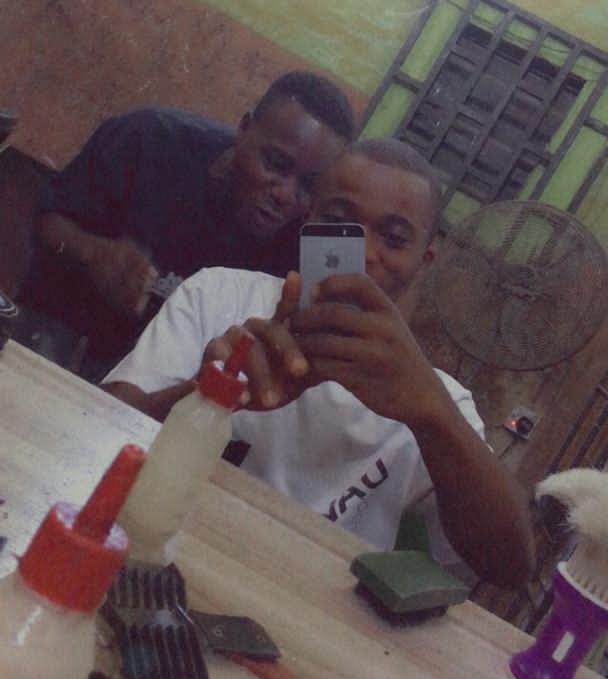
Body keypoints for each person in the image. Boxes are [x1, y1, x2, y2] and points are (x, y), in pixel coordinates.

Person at [103, 138, 535, 587]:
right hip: (154, 559)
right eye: (337, 222)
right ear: (307, 222)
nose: (363, 253)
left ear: (423, 261)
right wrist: (208, 391)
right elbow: (99, 422)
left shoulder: (432, 395)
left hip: (301, 601)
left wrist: (431, 413)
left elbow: (510, 567)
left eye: (393, 239)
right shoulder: (220, 296)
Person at [17, 72, 354, 380]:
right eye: (275, 164)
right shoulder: (149, 141)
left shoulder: (309, 238)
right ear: (243, 129)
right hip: (65, 330)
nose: (285, 195)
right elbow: (48, 219)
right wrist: (93, 252)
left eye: (308, 185)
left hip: (177, 377)